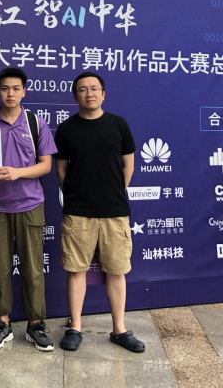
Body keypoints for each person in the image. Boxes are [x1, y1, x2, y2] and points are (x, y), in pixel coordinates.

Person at [53, 71, 145, 353]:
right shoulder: (66, 129)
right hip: (78, 212)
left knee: (117, 271)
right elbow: (61, 170)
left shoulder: (118, 124)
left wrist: (113, 192)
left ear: (103, 94)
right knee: (76, 270)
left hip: (114, 212)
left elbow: (128, 165)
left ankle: (119, 330)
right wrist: (77, 196)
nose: (89, 93)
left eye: (94, 89)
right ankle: (75, 327)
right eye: (83, 90)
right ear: (75, 96)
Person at [0, 67, 57, 352]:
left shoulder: (35, 123)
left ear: (24, 91)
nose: (10, 93)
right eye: (5, 88)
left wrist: (18, 173)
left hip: (30, 204)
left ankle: (35, 324)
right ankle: (2, 323)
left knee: (33, 268)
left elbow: (46, 164)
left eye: (16, 88)